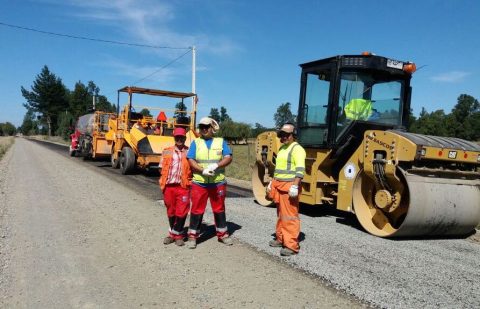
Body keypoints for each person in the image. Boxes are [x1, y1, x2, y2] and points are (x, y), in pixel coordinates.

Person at [186, 117, 233, 249]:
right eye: (201, 127)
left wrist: (216, 166)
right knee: (196, 210)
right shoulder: (196, 143)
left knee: (219, 209)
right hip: (199, 182)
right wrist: (202, 170)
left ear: (212, 128)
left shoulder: (220, 142)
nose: (204, 129)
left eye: (206, 127)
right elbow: (190, 159)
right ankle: (192, 237)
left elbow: (228, 157)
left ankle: (223, 234)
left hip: (217, 182)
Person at [267, 123, 306, 256]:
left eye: (286, 135)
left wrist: (295, 185)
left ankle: (291, 246)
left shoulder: (297, 149)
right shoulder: (283, 149)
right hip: (279, 186)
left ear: (293, 135)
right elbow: (278, 169)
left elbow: (300, 170)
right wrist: (272, 182)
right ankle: (281, 238)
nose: (283, 137)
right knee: (280, 215)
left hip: (289, 187)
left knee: (289, 216)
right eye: (281, 135)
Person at [159, 127, 192, 246]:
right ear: (174, 138)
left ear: (185, 138)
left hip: (183, 186)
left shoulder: (190, 152)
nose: (179, 139)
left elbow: (193, 168)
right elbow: (161, 167)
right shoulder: (167, 151)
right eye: (177, 137)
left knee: (182, 212)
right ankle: (173, 233)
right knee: (171, 211)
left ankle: (178, 235)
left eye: (181, 137)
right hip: (168, 186)